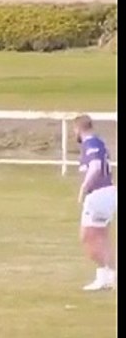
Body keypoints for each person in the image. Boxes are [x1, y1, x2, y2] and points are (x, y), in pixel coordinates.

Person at [73, 115, 117, 291]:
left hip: (98, 194)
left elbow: (96, 166)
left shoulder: (91, 144)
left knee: (87, 237)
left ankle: (109, 274)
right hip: (107, 193)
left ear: (78, 129)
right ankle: (106, 277)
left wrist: (84, 187)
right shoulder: (99, 143)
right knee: (101, 237)